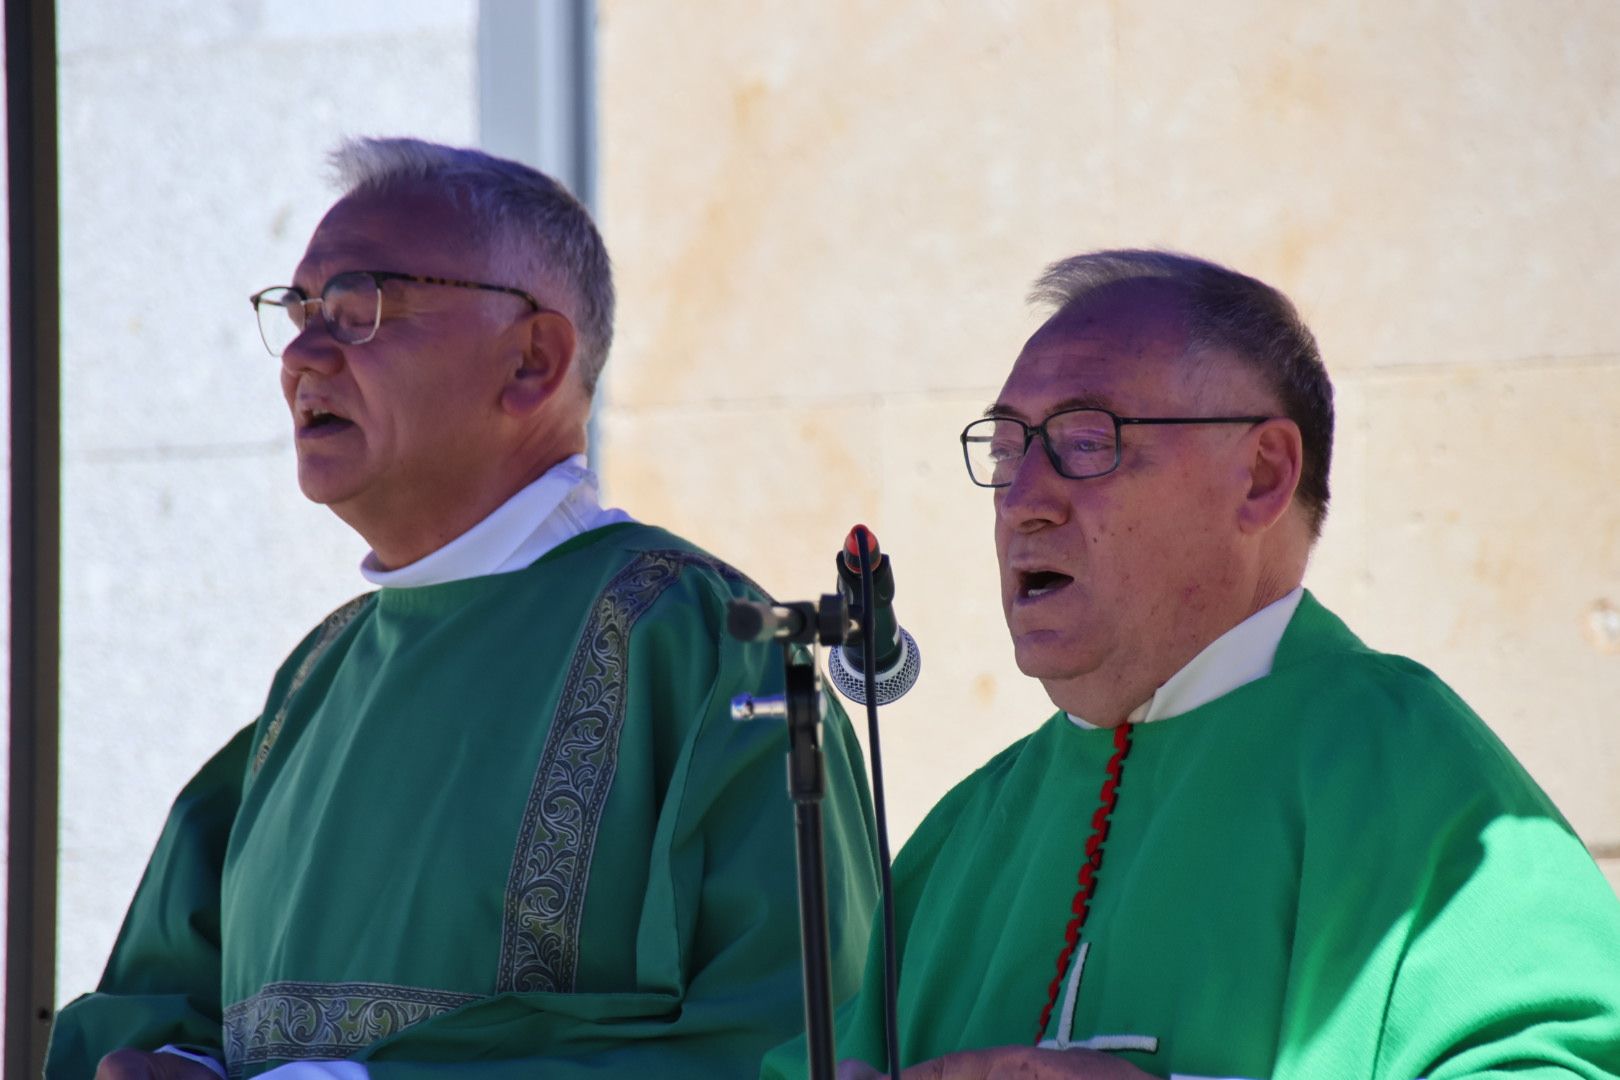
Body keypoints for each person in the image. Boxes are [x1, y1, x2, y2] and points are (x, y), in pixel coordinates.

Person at [47, 137, 879, 1080]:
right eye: (298, 311)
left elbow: (788, 1042)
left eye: (359, 306)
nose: (306, 355)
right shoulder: (315, 679)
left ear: (531, 360)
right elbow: (160, 1005)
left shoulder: (710, 649)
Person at [766, 250, 1620, 1080]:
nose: (1024, 500)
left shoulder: (1402, 766)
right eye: (1006, 450)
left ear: (1261, 475)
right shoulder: (966, 833)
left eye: (1086, 439)